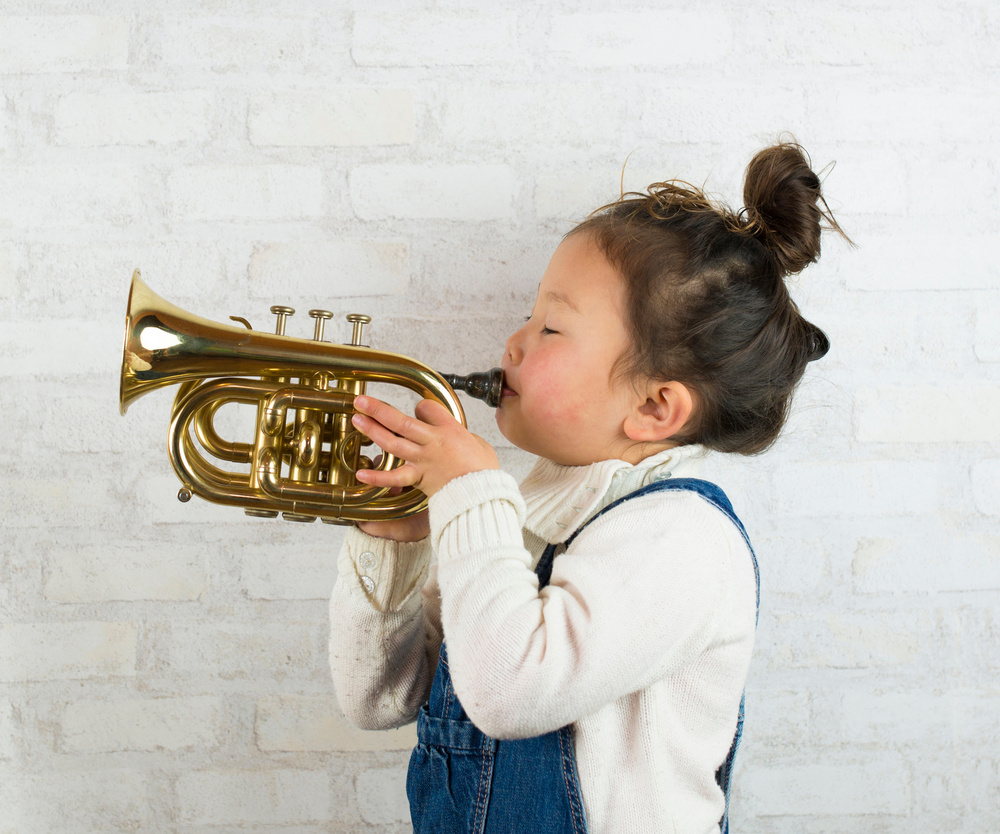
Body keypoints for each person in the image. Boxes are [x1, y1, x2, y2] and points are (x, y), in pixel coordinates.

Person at [329, 140, 849, 834]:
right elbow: (378, 699)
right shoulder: (519, 517)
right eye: (528, 315)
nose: (513, 342)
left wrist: (473, 494)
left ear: (656, 409)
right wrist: (395, 550)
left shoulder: (684, 541)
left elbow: (511, 690)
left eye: (549, 326)